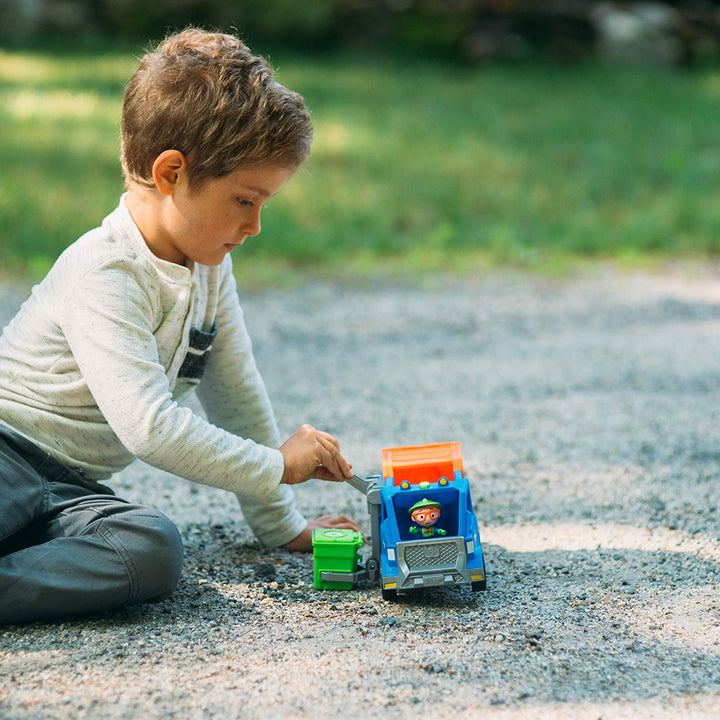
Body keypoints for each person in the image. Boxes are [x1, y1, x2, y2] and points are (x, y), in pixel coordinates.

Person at [0, 28, 359, 625]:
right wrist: (278, 464)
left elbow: (236, 394)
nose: (255, 226)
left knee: (151, 549)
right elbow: (148, 428)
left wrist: (281, 525)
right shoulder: (106, 268)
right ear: (170, 173)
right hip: (6, 455)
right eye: (245, 200)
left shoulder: (210, 268)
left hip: (69, 491)